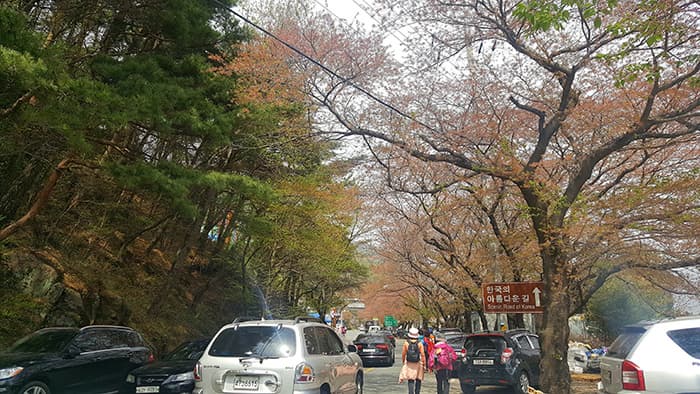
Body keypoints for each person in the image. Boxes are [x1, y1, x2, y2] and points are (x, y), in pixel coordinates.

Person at [398, 327, 425, 394]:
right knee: (418, 378)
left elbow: (403, 354)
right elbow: (422, 354)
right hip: (417, 363)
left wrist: (404, 361)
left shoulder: (406, 343)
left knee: (411, 379)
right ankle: (417, 392)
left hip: (409, 363)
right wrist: (424, 364)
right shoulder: (420, 343)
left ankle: (411, 392)